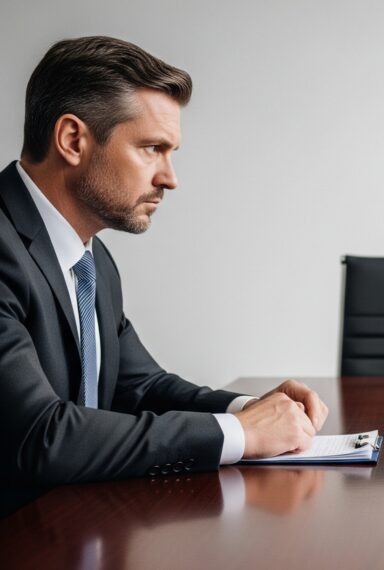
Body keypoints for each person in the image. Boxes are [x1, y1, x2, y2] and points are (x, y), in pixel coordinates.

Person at [0, 36, 329, 490]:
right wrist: (241, 433)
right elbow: (41, 436)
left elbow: (141, 388)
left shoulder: (92, 261)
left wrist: (249, 409)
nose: (169, 178)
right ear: (73, 140)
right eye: (151, 148)